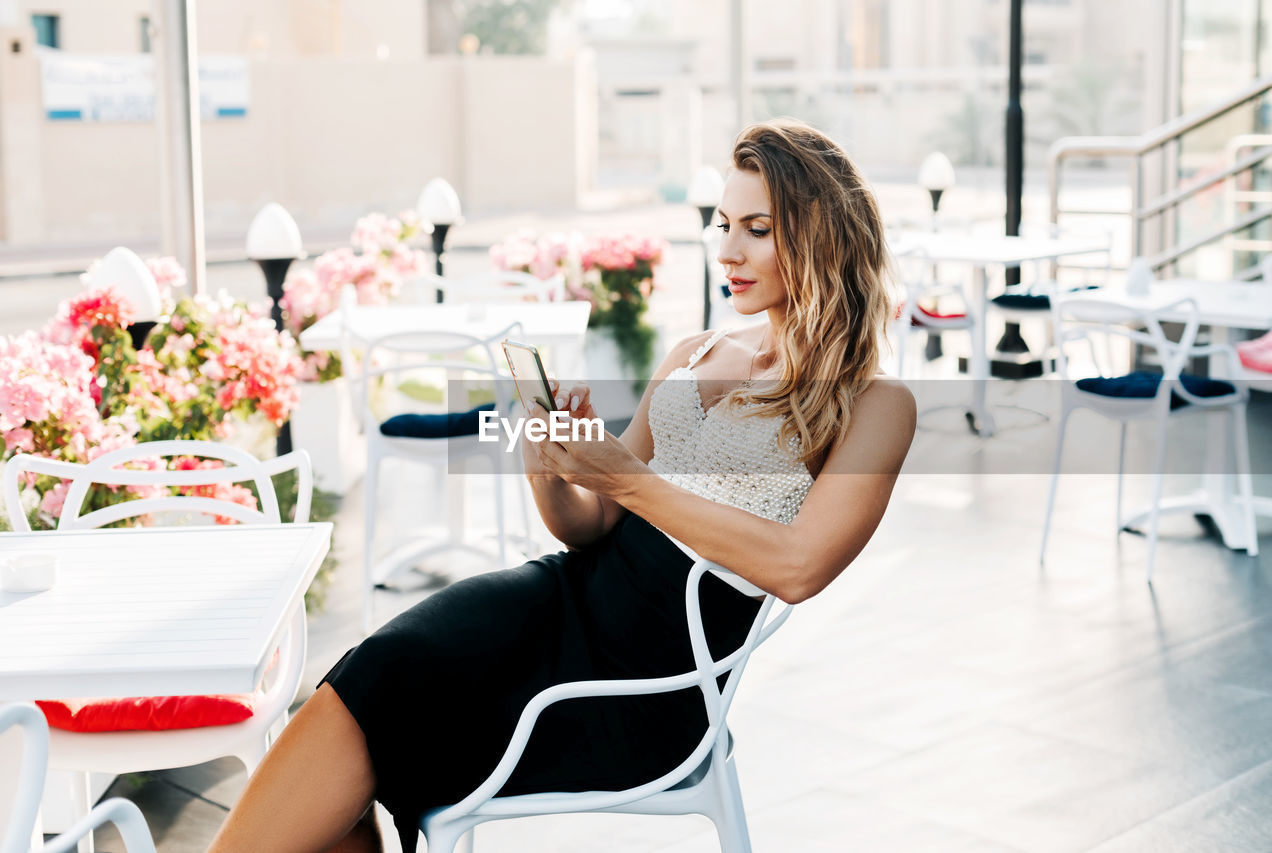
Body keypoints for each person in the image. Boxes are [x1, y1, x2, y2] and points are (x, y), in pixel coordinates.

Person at [209, 118, 916, 853]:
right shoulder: (697, 349)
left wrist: (630, 479)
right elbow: (590, 522)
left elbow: (800, 566)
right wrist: (549, 461)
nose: (728, 250)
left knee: (378, 713)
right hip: (556, 602)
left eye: (758, 229)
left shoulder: (876, 404)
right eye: (723, 224)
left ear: (822, 236)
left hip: (644, 687)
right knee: (369, 686)